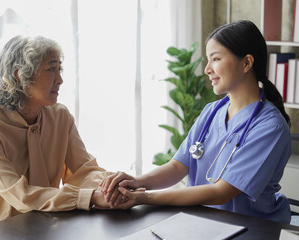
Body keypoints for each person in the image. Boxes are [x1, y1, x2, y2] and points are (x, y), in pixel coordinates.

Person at [101, 20, 292, 223]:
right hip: (201, 223)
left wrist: (144, 197)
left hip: (250, 228)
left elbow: (222, 191)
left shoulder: (270, 127)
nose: (207, 69)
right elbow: (177, 167)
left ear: (246, 63)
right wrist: (136, 181)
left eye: (215, 59)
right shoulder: (212, 112)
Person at [0, 35, 113, 239]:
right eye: (51, 69)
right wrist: (90, 197)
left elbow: (84, 171)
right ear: (20, 75)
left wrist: (111, 185)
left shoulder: (60, 117)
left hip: (42, 228)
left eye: (60, 69)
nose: (60, 79)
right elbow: (19, 194)